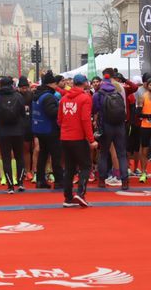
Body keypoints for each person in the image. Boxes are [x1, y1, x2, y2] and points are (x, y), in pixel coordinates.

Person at [58, 74, 97, 208]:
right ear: (84, 83)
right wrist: (91, 139)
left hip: (65, 137)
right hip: (78, 137)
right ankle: (80, 194)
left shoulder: (63, 99)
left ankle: (68, 198)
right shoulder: (85, 98)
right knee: (86, 166)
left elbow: (60, 119)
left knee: (69, 168)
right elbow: (85, 120)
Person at [0, 76, 26, 193]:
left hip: (3, 131)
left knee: (6, 158)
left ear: (0, 84)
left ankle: (10, 186)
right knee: (19, 156)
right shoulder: (19, 96)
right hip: (18, 130)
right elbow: (23, 113)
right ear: (12, 85)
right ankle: (20, 183)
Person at [93, 72, 129, 190]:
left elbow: (94, 109)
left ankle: (102, 180)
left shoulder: (98, 94)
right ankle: (124, 181)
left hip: (106, 126)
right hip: (119, 126)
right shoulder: (117, 92)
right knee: (121, 154)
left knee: (103, 153)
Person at [32, 71, 64, 189]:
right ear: (50, 84)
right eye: (55, 84)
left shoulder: (37, 94)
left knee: (43, 155)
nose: (56, 86)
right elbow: (52, 112)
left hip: (39, 128)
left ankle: (40, 180)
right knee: (56, 155)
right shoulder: (49, 96)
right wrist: (60, 108)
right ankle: (59, 181)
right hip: (50, 129)